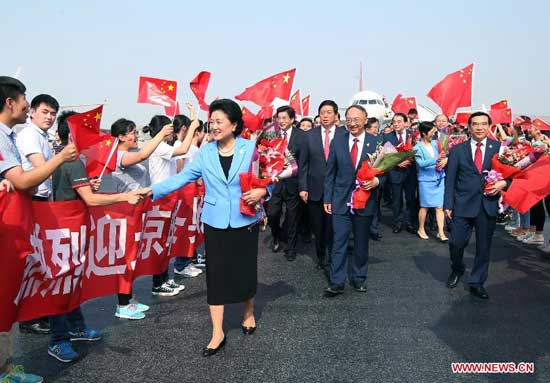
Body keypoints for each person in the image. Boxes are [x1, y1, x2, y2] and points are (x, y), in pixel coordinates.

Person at [138, 99, 271, 356]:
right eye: (212, 121)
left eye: (220, 121)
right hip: (214, 220)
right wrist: (151, 191)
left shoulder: (252, 148)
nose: (214, 126)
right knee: (216, 275)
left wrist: (263, 190)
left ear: (234, 124)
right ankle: (217, 331)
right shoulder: (206, 152)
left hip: (245, 219)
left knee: (244, 270)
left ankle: (248, 312)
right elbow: (182, 178)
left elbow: (269, 178)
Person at [47, 111, 142, 363]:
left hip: (69, 228)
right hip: (66, 230)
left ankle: (76, 326)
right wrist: (124, 197)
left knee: (72, 282)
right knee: (63, 285)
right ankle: (58, 340)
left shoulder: (65, 159)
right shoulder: (73, 161)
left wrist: (89, 185)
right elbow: (90, 199)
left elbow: (81, 192)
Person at [0, 76, 77, 383]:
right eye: (25, 99)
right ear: (11, 102)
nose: (26, 104)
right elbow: (23, 180)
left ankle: (6, 369)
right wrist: (60, 157)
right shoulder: (6, 135)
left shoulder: (9, 134)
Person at [101, 117, 175, 318]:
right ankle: (122, 305)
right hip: (126, 213)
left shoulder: (128, 153)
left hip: (136, 211)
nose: (135, 136)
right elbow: (143, 154)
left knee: (133, 257)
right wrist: (161, 134)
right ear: (121, 137)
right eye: (132, 132)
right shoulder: (118, 155)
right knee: (126, 257)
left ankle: (128, 297)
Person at [444, 112, 510, 299]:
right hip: (462, 204)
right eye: (475, 124)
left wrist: (502, 184)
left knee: (483, 247)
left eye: (483, 124)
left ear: (489, 126)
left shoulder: (499, 149)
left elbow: (512, 176)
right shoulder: (458, 150)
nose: (479, 127)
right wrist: (447, 204)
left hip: (487, 204)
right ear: (469, 127)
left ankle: (477, 282)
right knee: (456, 242)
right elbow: (450, 180)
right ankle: (457, 269)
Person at [323, 105, 382, 296]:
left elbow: (387, 170)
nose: (352, 123)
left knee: (361, 242)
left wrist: (376, 180)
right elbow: (330, 172)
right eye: (349, 119)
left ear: (366, 120)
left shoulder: (376, 143)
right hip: (340, 200)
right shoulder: (338, 141)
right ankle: (336, 281)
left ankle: (359, 278)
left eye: (357, 119)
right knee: (338, 241)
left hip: (364, 201)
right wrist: (328, 197)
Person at [15, 94, 60, 336]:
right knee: (31, 259)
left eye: (53, 113)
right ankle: (28, 317)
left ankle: (35, 313)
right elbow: (42, 166)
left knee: (38, 257)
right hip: (31, 199)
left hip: (42, 199)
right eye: (45, 112)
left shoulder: (44, 136)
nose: (49, 117)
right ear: (32, 111)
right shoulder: (29, 135)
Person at [144, 114, 198, 294]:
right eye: (169, 127)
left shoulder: (163, 146)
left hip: (168, 197)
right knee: (159, 242)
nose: (172, 130)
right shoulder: (158, 147)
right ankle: (158, 283)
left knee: (166, 242)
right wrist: (192, 126)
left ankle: (164, 278)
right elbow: (183, 149)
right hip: (161, 199)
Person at [299, 100, 346, 269]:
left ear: (336, 115)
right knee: (318, 228)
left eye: (329, 112)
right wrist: (303, 187)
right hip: (315, 189)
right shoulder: (309, 135)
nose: (325, 116)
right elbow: (303, 164)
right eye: (322, 113)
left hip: (337, 189)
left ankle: (335, 256)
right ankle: (321, 256)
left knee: (335, 227)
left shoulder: (344, 134)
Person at [268, 105, 306, 261]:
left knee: (292, 217)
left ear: (292, 119)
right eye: (279, 118)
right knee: (272, 214)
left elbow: (303, 163)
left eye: (284, 118)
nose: (281, 121)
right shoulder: (271, 134)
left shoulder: (302, 136)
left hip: (293, 182)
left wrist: (303, 185)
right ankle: (276, 235)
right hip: (275, 182)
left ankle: (291, 247)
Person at [383, 113, 417, 234]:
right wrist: (397, 162)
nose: (396, 124)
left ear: (405, 122)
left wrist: (410, 158)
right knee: (396, 200)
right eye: (394, 122)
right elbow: (384, 156)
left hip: (410, 172)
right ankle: (397, 223)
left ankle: (410, 223)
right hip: (395, 172)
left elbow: (418, 151)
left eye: (399, 121)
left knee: (410, 199)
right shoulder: (387, 137)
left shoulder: (412, 135)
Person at [413, 121, 447, 241]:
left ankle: (441, 232)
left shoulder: (436, 143)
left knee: (439, 207)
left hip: (439, 178)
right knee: (425, 207)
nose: (434, 134)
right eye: (432, 132)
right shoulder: (417, 147)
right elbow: (421, 163)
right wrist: (435, 159)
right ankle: (421, 228)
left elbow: (444, 154)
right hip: (426, 181)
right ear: (423, 133)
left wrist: (445, 160)